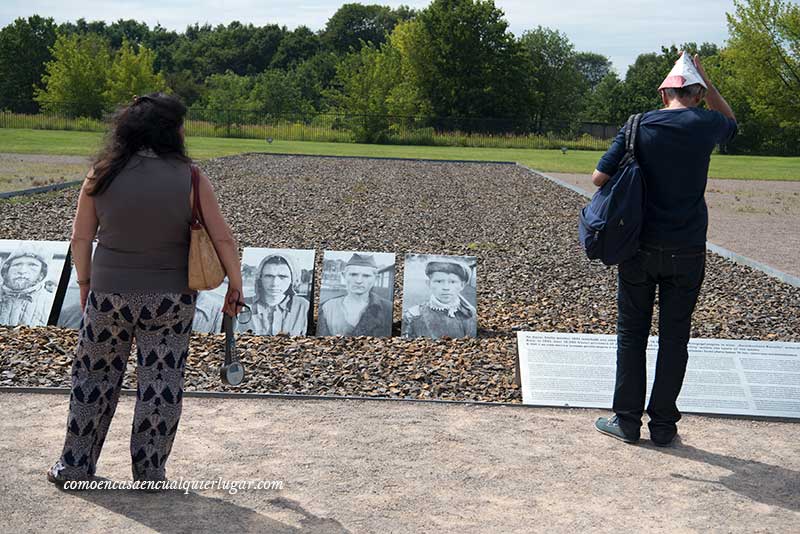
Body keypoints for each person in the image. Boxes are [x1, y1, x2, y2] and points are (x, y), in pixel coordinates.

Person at [47, 93, 244, 489]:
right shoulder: (190, 177)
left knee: (94, 379)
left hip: (109, 293)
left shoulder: (101, 173)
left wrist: (85, 284)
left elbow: (81, 237)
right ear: (170, 130)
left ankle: (74, 468)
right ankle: (150, 473)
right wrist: (235, 283)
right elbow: (221, 237)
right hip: (170, 297)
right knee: (161, 383)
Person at [593, 53, 737, 447]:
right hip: (687, 249)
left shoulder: (638, 124)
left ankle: (626, 421)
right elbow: (732, 123)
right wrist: (709, 83)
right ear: (697, 93)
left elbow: (598, 177)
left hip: (638, 247)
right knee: (675, 339)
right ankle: (663, 426)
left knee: (632, 335)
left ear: (663, 91)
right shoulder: (707, 123)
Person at [317, 253, 392, 337]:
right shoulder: (328, 308)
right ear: (344, 276)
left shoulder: (388, 308)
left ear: (376, 278)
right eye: (353, 274)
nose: (359, 281)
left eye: (366, 276)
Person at [402, 259, 476, 339]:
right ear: (429, 283)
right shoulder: (413, 316)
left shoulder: (470, 314)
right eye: (439, 281)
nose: (446, 288)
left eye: (452, 282)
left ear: (462, 285)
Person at [239, 253, 309, 336]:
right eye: (269, 276)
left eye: (282, 277)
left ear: (292, 279)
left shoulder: (304, 307)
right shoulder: (241, 305)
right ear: (260, 278)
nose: (275, 283)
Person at [0, 243, 55, 326]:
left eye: (32, 265)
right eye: (17, 264)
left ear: (41, 274)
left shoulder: (50, 303)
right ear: (6, 270)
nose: (22, 271)